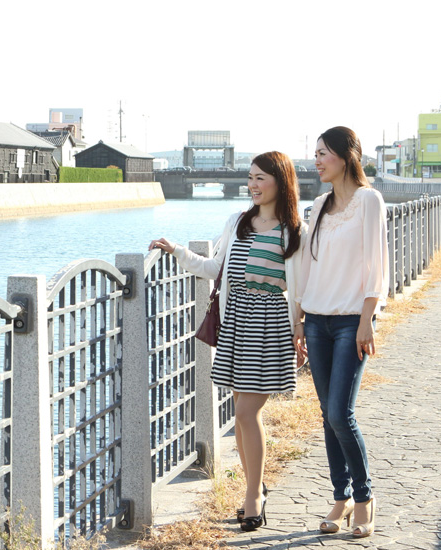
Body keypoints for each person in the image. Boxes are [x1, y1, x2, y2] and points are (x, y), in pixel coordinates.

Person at [149, 151, 308, 532]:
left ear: (280, 183)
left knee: (245, 413)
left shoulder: (293, 232)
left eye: (261, 178)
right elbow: (213, 269)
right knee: (240, 410)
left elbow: (300, 289)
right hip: (236, 324)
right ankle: (256, 486)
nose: (252, 185)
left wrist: (299, 326)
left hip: (269, 326)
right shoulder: (237, 221)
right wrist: (177, 252)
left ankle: (253, 495)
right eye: (250, 178)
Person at [295, 126, 387, 538]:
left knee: (340, 413)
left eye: (323, 153)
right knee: (327, 416)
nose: (316, 160)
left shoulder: (369, 201)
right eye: (314, 153)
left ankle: (364, 498)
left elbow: (376, 264)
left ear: (346, 156)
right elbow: (308, 267)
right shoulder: (317, 205)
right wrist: (298, 318)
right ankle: (340, 496)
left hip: (352, 320)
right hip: (316, 319)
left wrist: (368, 317)